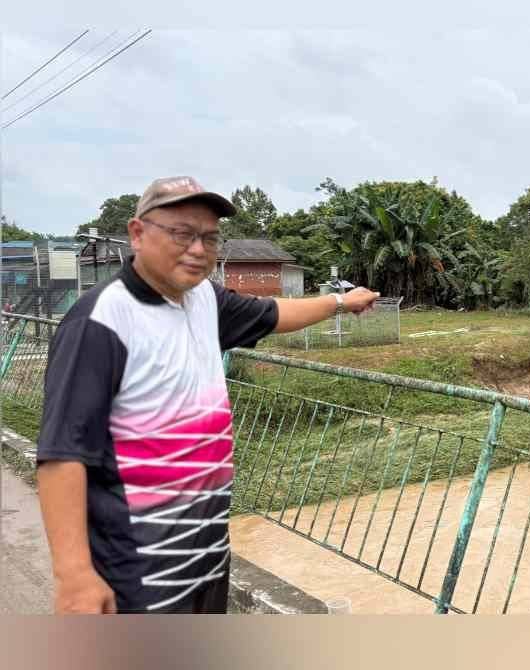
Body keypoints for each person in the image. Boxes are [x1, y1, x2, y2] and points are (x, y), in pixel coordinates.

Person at [35, 176, 379, 614]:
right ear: (138, 234)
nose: (197, 249)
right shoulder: (100, 321)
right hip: (138, 571)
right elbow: (62, 454)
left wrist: (340, 303)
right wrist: (75, 574)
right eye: (182, 233)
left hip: (208, 558)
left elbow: (274, 312)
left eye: (209, 238)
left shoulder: (203, 301)